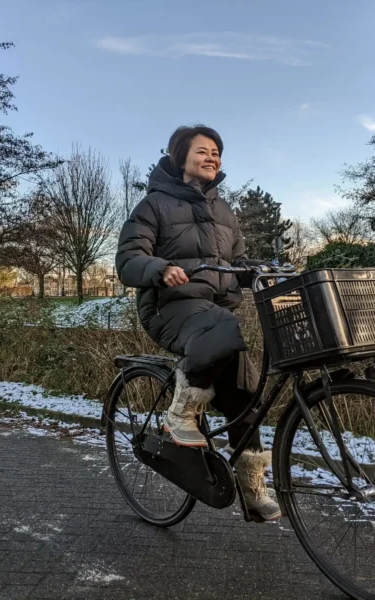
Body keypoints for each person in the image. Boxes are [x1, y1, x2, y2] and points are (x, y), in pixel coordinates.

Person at [115, 125, 282, 522]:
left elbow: (238, 263)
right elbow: (127, 259)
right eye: (203, 151)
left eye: (217, 153)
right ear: (181, 157)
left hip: (215, 315)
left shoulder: (226, 212)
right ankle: (180, 412)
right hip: (169, 308)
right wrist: (159, 268)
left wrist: (258, 270)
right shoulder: (153, 204)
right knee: (221, 326)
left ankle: (250, 480)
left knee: (247, 391)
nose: (212, 157)